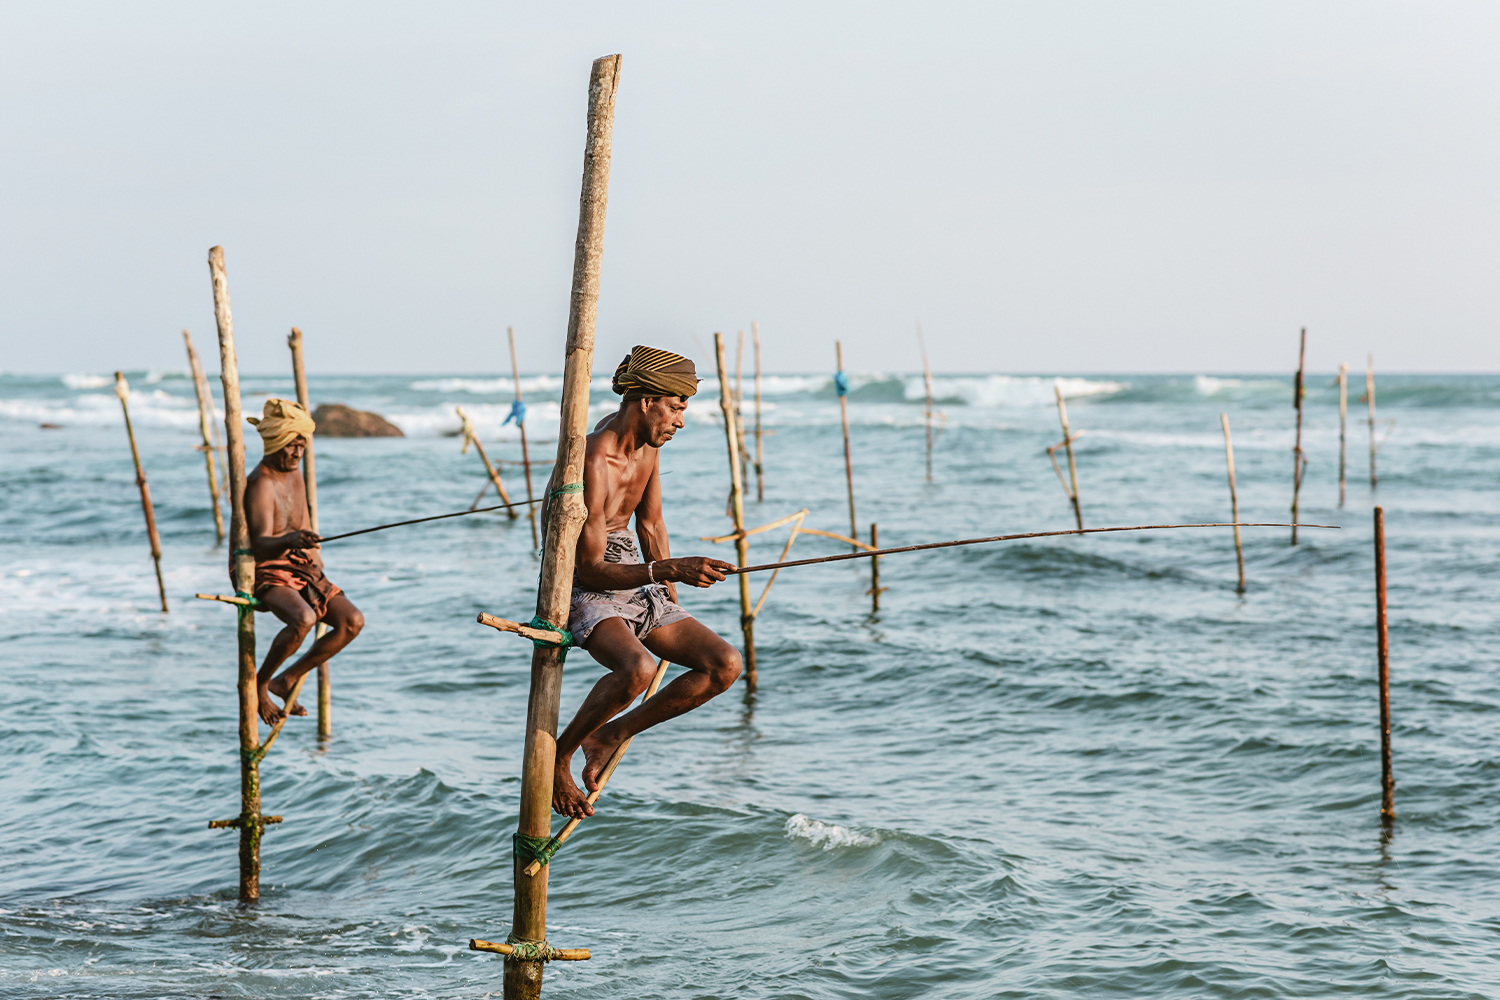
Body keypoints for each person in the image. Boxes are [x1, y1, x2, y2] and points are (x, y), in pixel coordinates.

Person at [549, 346, 742, 819]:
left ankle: (612, 733)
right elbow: (590, 567)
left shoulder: (649, 450)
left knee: (724, 664)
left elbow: (651, 527)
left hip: (637, 576)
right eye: (676, 407)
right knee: (636, 669)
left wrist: (669, 596)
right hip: (582, 582)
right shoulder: (593, 458)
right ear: (648, 400)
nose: (680, 421)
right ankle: (561, 755)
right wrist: (670, 570)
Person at [241, 399, 364, 724]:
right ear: (276, 442)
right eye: (291, 446)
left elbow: (302, 526)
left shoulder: (295, 475)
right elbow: (261, 545)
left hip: (300, 567)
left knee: (352, 621)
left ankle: (288, 678)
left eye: (302, 446)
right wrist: (290, 540)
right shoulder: (261, 483)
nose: (297, 453)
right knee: (304, 619)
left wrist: (308, 550)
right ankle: (260, 684)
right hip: (269, 570)